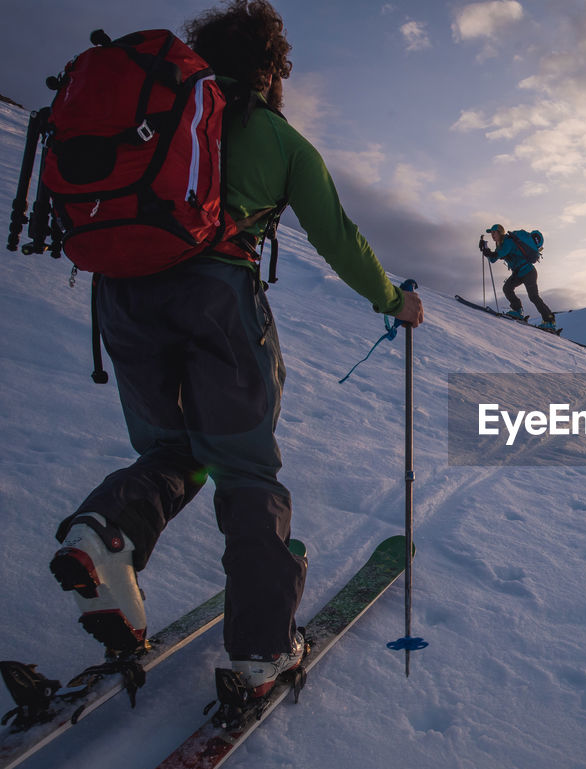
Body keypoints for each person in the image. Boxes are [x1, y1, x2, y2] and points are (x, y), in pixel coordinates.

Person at [48, 0, 424, 698]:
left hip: (123, 298)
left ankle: (104, 532)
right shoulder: (277, 141)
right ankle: (261, 649)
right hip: (217, 301)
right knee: (245, 468)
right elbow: (339, 238)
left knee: (171, 453)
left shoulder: (156, 121)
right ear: (272, 71)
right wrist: (392, 300)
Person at [480, 223, 556, 330]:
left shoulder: (507, 241)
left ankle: (550, 321)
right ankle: (517, 310)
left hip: (528, 272)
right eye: (491, 233)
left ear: (500, 232)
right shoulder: (499, 244)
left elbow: (499, 254)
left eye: (494, 232)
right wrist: (485, 249)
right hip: (519, 272)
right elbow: (493, 259)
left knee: (533, 296)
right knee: (507, 288)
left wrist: (488, 252)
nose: (492, 235)